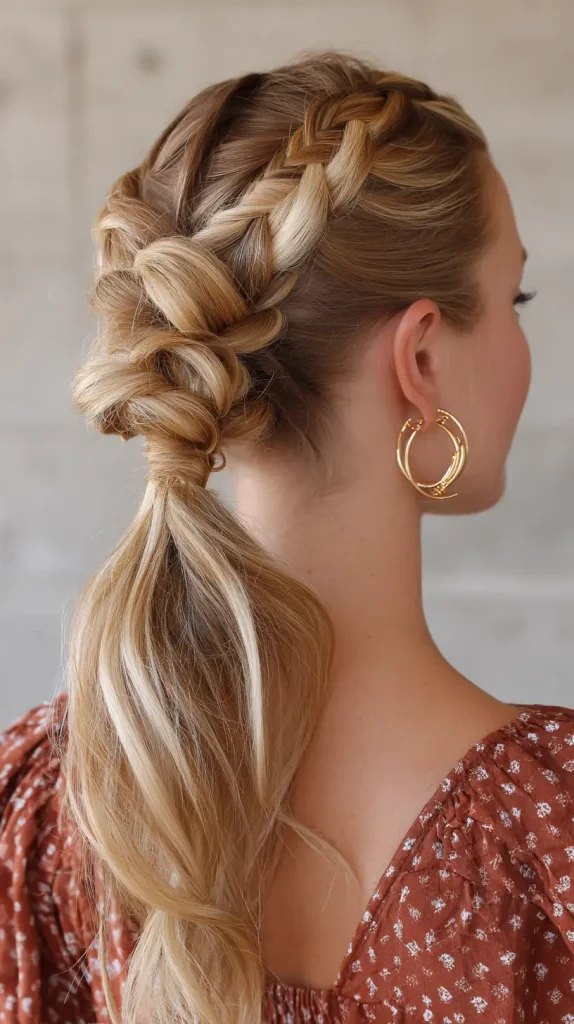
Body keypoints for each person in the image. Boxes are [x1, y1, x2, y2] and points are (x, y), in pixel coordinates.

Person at [0, 48, 572, 1024]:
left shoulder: (50, 805)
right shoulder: (549, 835)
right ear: (422, 355)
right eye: (513, 301)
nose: (524, 350)